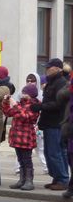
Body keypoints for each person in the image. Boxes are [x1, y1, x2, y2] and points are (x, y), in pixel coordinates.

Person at [32, 58, 70, 190]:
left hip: (56, 123)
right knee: (51, 152)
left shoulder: (61, 82)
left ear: (58, 69)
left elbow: (59, 104)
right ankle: (57, 178)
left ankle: (63, 180)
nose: (46, 69)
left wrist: (41, 106)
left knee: (55, 153)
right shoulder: (52, 82)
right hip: (50, 123)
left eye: (49, 67)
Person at [2, 83, 40, 190]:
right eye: (23, 92)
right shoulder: (21, 104)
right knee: (20, 159)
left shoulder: (34, 106)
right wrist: (6, 102)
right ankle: (22, 180)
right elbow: (8, 113)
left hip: (26, 137)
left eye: (25, 93)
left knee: (27, 160)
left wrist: (14, 104)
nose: (23, 94)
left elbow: (25, 116)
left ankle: (29, 181)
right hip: (17, 136)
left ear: (31, 94)